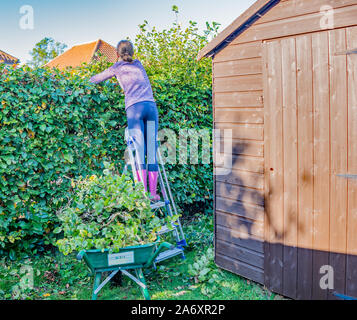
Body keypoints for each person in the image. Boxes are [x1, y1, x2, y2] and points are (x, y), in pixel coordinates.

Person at [90, 40, 160, 201]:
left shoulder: (117, 67)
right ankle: (154, 193)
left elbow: (96, 79)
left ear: (116, 54)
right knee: (151, 151)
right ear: (133, 52)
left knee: (140, 151)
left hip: (135, 108)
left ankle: (143, 193)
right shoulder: (139, 64)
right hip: (151, 107)